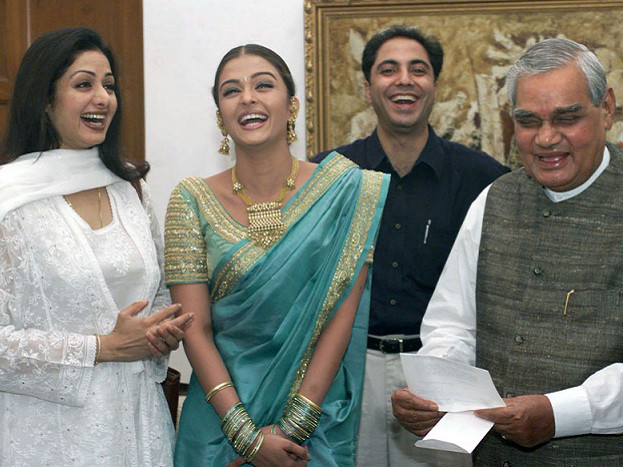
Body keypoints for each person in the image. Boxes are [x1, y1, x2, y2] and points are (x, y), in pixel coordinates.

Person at [392, 37, 623, 464]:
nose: (547, 138)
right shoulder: (493, 199)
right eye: (528, 121)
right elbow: (453, 325)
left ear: (606, 108)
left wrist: (561, 414)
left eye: (567, 118)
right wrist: (433, 391)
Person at [165, 43, 389, 466]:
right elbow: (195, 328)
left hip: (314, 425)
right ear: (220, 114)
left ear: (292, 105)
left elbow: (340, 318)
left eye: (263, 85)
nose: (247, 97)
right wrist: (243, 435)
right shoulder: (190, 199)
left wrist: (294, 426)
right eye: (231, 91)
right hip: (219, 423)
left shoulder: (347, 192)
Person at [312, 25, 509, 465]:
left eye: (417, 70)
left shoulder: (484, 180)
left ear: (434, 86)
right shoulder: (327, 175)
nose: (404, 80)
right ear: (367, 89)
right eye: (388, 70)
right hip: (347, 373)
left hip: (444, 377)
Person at [0, 27, 191, 466]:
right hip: (46, 437)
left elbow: (158, 295)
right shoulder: (9, 200)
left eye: (109, 85)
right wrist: (101, 348)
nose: (102, 98)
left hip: (139, 423)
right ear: (44, 100)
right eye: (83, 84)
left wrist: (161, 332)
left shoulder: (131, 189)